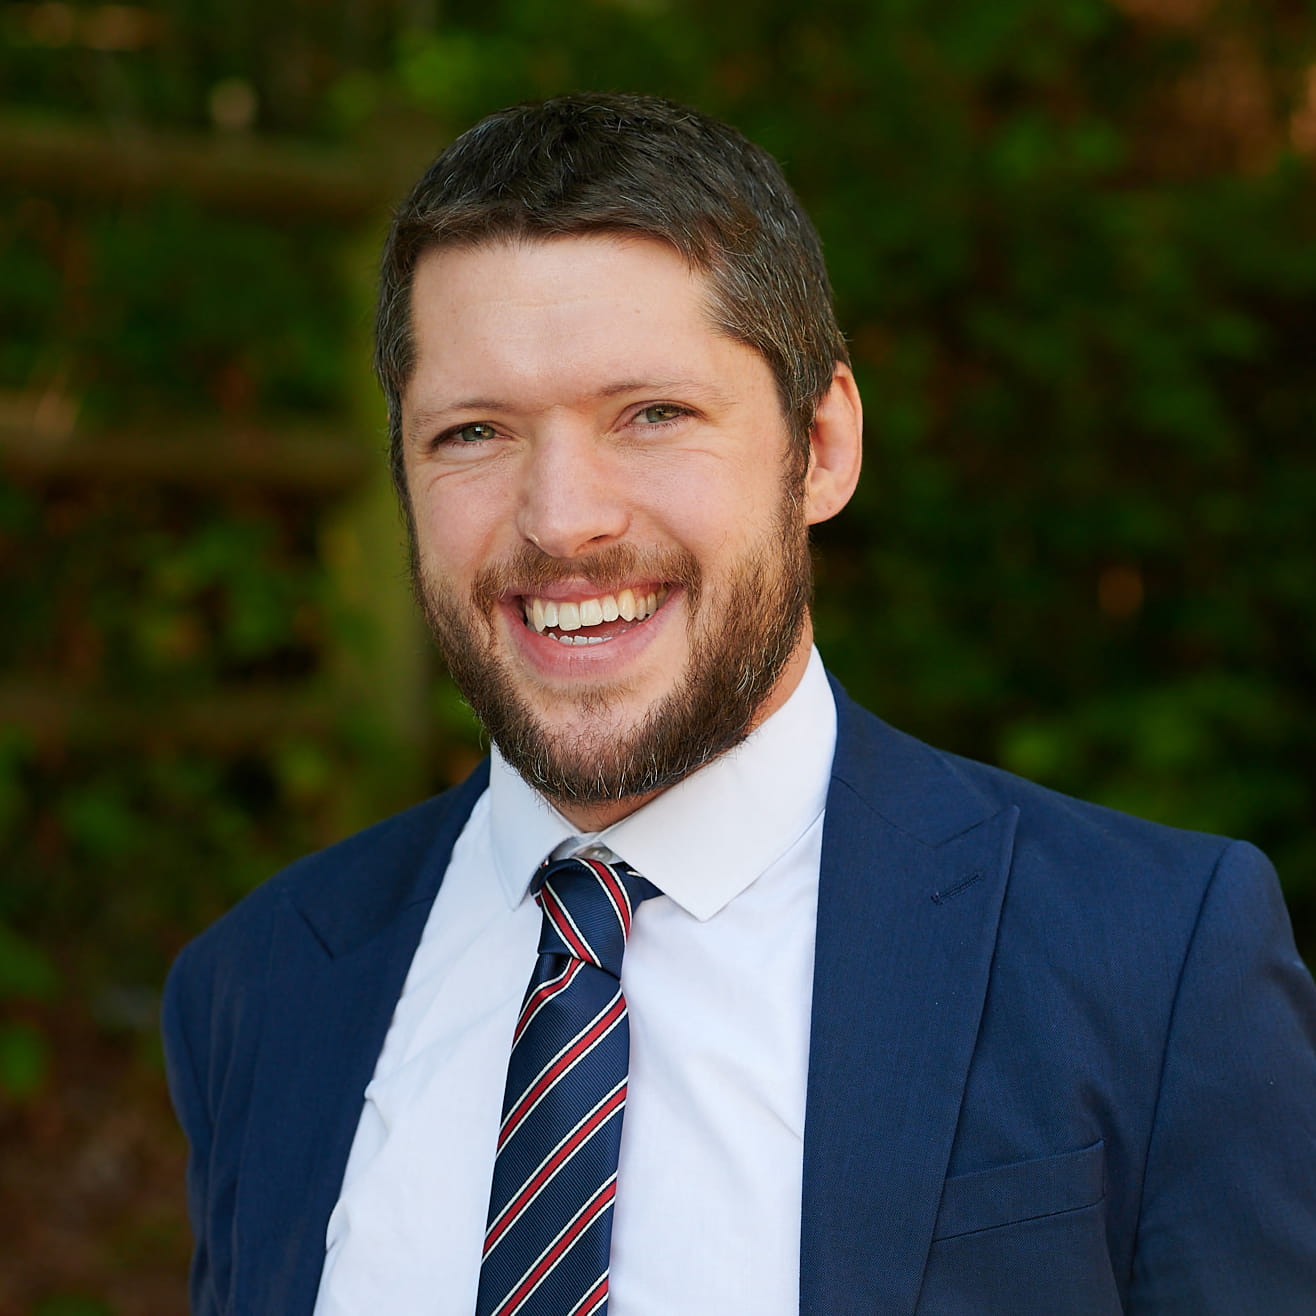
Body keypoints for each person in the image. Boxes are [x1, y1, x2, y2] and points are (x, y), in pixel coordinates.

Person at [162, 93, 1316, 1316]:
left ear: (818, 446)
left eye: (651, 413)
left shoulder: (1151, 958)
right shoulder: (259, 984)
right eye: (474, 431)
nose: (563, 519)